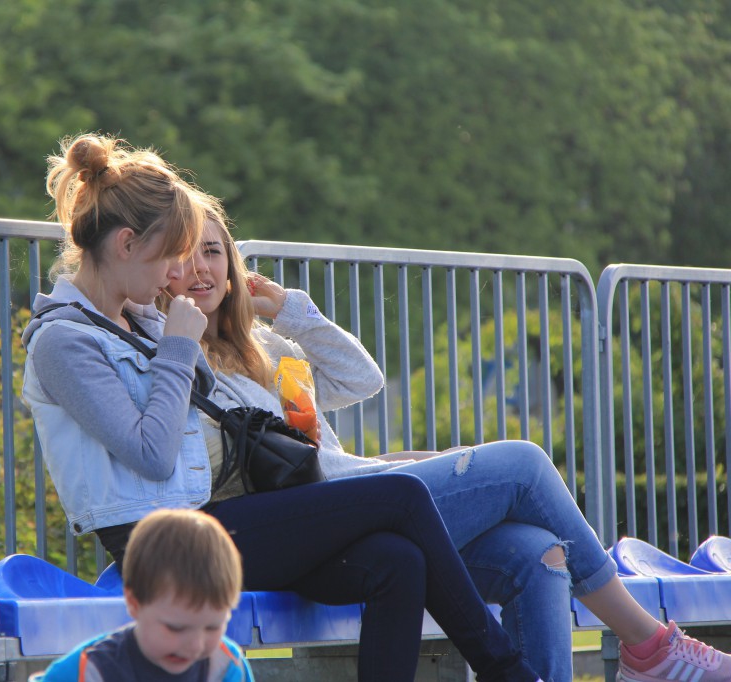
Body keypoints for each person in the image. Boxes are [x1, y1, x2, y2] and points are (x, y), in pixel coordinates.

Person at [22, 132, 544, 682]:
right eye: (169, 257)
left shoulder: (142, 320)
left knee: (397, 559)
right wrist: (177, 346)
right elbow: (151, 454)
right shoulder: (63, 340)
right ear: (127, 244)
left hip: (223, 514)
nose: (175, 276)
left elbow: (268, 399)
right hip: (162, 539)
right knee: (403, 494)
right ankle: (507, 672)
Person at [163, 213, 731, 682]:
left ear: (233, 265)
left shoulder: (265, 347)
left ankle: (641, 654)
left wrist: (290, 308)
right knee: (524, 465)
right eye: (185, 255)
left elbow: (361, 379)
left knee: (538, 554)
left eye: (212, 251)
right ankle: (648, 646)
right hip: (322, 517)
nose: (201, 267)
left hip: (365, 492)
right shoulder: (179, 355)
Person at [35, 508, 253, 682]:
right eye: (175, 628)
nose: (195, 645)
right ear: (134, 602)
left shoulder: (226, 666)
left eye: (212, 627)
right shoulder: (88, 671)